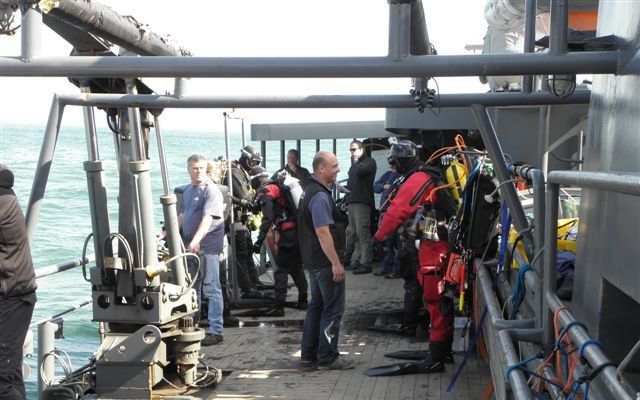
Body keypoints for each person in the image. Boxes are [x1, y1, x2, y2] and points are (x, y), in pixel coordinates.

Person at [374, 141, 453, 371]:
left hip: (435, 250)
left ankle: (437, 357)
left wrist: (379, 236)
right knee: (438, 302)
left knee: (435, 300)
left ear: (402, 161)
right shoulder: (426, 176)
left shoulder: (418, 179)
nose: (393, 165)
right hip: (435, 244)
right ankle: (440, 350)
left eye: (395, 161)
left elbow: (398, 210)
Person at [298, 151, 355, 370]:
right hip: (324, 262)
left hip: (313, 261)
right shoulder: (320, 196)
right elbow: (323, 232)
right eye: (334, 166)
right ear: (321, 168)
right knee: (332, 309)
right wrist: (336, 263)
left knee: (316, 306)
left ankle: (309, 354)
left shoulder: (309, 191)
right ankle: (328, 358)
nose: (338, 169)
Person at [0, 164, 37, 399]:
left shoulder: (2, 199)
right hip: (15, 293)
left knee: (2, 379)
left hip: (11, 297)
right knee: (11, 374)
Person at [251, 166, 308, 316]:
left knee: (281, 270)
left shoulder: (267, 190)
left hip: (288, 236)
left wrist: (259, 240)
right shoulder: (278, 188)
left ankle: (278, 307)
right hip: (297, 233)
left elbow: (268, 217)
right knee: (296, 268)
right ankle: (303, 300)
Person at [180, 154, 225, 346]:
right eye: (194, 168)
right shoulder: (188, 190)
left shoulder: (211, 190)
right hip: (191, 247)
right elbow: (183, 215)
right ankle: (194, 325)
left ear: (205, 169)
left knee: (212, 288)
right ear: (188, 169)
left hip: (207, 247)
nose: (198, 171)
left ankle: (216, 330)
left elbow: (208, 219)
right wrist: (165, 233)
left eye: (201, 168)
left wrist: (197, 240)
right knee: (193, 289)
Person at [224, 146, 263, 298]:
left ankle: (254, 282)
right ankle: (247, 289)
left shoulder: (243, 173)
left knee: (248, 251)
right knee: (241, 254)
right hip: (235, 221)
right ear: (246, 159)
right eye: (253, 161)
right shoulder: (235, 173)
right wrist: (255, 194)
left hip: (242, 220)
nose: (254, 165)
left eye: (256, 162)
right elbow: (245, 197)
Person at [344, 140, 377, 274]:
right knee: (354, 234)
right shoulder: (356, 165)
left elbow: (359, 172)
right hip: (352, 201)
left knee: (363, 233)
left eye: (354, 149)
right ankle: (356, 260)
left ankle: (366, 263)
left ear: (362, 149)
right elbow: (351, 183)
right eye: (351, 150)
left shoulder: (369, 162)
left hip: (362, 202)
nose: (352, 152)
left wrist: (356, 159)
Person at [373, 161, 401, 278]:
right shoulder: (388, 174)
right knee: (386, 242)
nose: (390, 162)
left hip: (395, 213)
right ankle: (387, 267)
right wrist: (384, 186)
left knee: (397, 243)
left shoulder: (402, 176)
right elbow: (376, 186)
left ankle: (396, 269)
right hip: (384, 212)